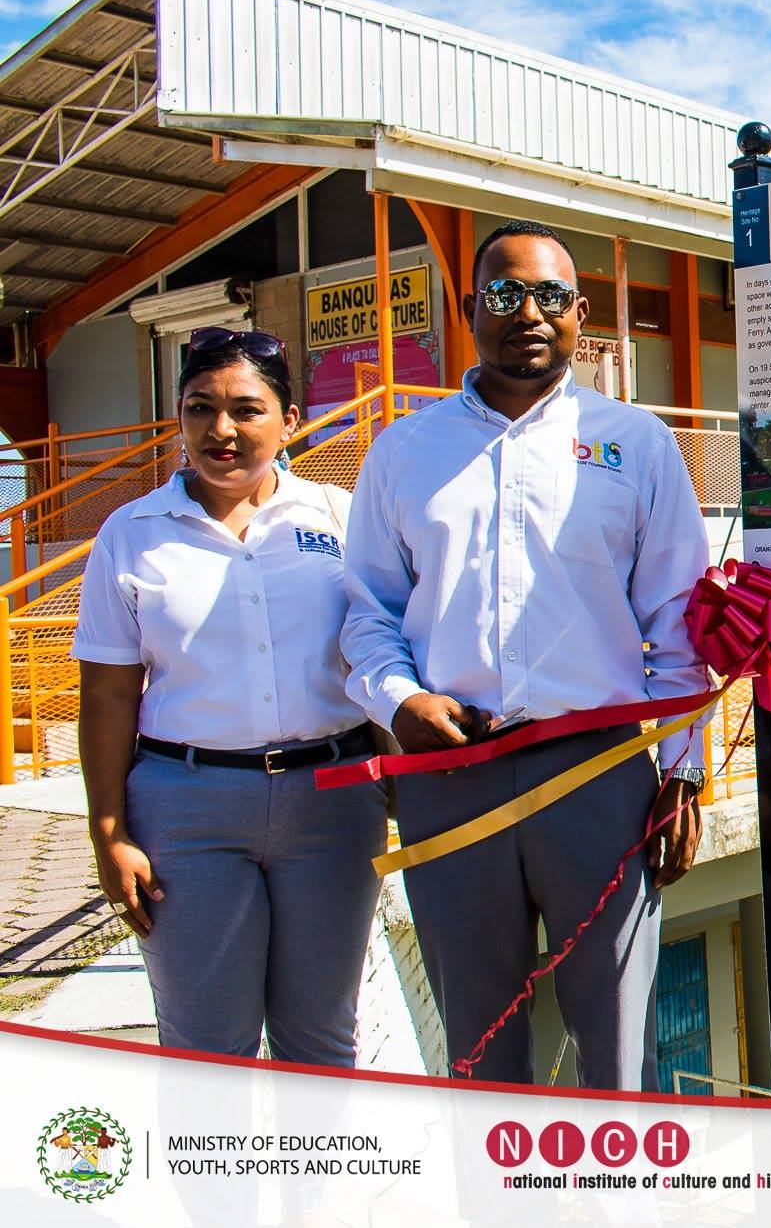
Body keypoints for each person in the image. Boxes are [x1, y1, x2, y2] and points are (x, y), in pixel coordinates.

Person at [341, 219, 711, 1090]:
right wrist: (398, 700)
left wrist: (684, 769)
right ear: (471, 309)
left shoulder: (637, 444)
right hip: (451, 777)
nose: (529, 313)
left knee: (616, 1048)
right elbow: (365, 614)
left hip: (603, 775)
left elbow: (679, 618)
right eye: (505, 295)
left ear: (582, 314)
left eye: (550, 295)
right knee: (479, 1048)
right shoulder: (404, 453)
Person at [73, 330, 384, 1064]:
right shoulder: (132, 535)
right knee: (206, 1047)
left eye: (247, 409)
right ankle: (221, 1184)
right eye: (200, 407)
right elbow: (110, 696)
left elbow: (379, 657)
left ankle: (315, 1185)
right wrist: (107, 832)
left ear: (290, 420)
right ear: (178, 418)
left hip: (333, 804)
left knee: (321, 1039)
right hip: (187, 810)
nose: (221, 429)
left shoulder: (339, 520)